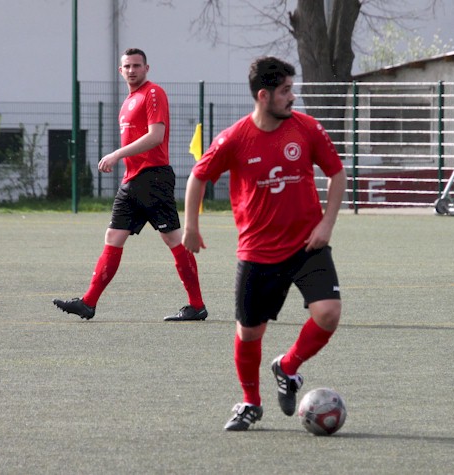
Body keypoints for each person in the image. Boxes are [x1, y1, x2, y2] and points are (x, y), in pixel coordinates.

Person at [182, 56, 346, 430]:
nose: (293, 97)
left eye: (292, 89)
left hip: (308, 245)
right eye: (286, 91)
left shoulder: (306, 129)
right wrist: (191, 226)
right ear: (263, 95)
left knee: (329, 313)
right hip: (258, 253)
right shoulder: (235, 138)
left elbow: (337, 174)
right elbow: (198, 176)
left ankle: (287, 367)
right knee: (249, 333)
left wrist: (326, 225)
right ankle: (250, 403)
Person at [53, 48, 207, 322]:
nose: (132, 70)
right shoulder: (127, 102)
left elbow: (156, 136)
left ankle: (196, 305)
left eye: (137, 65)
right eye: (128, 66)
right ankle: (88, 303)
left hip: (154, 178)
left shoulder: (152, 93)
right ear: (120, 70)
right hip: (133, 181)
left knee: (173, 239)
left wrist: (117, 154)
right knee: (113, 238)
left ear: (147, 68)